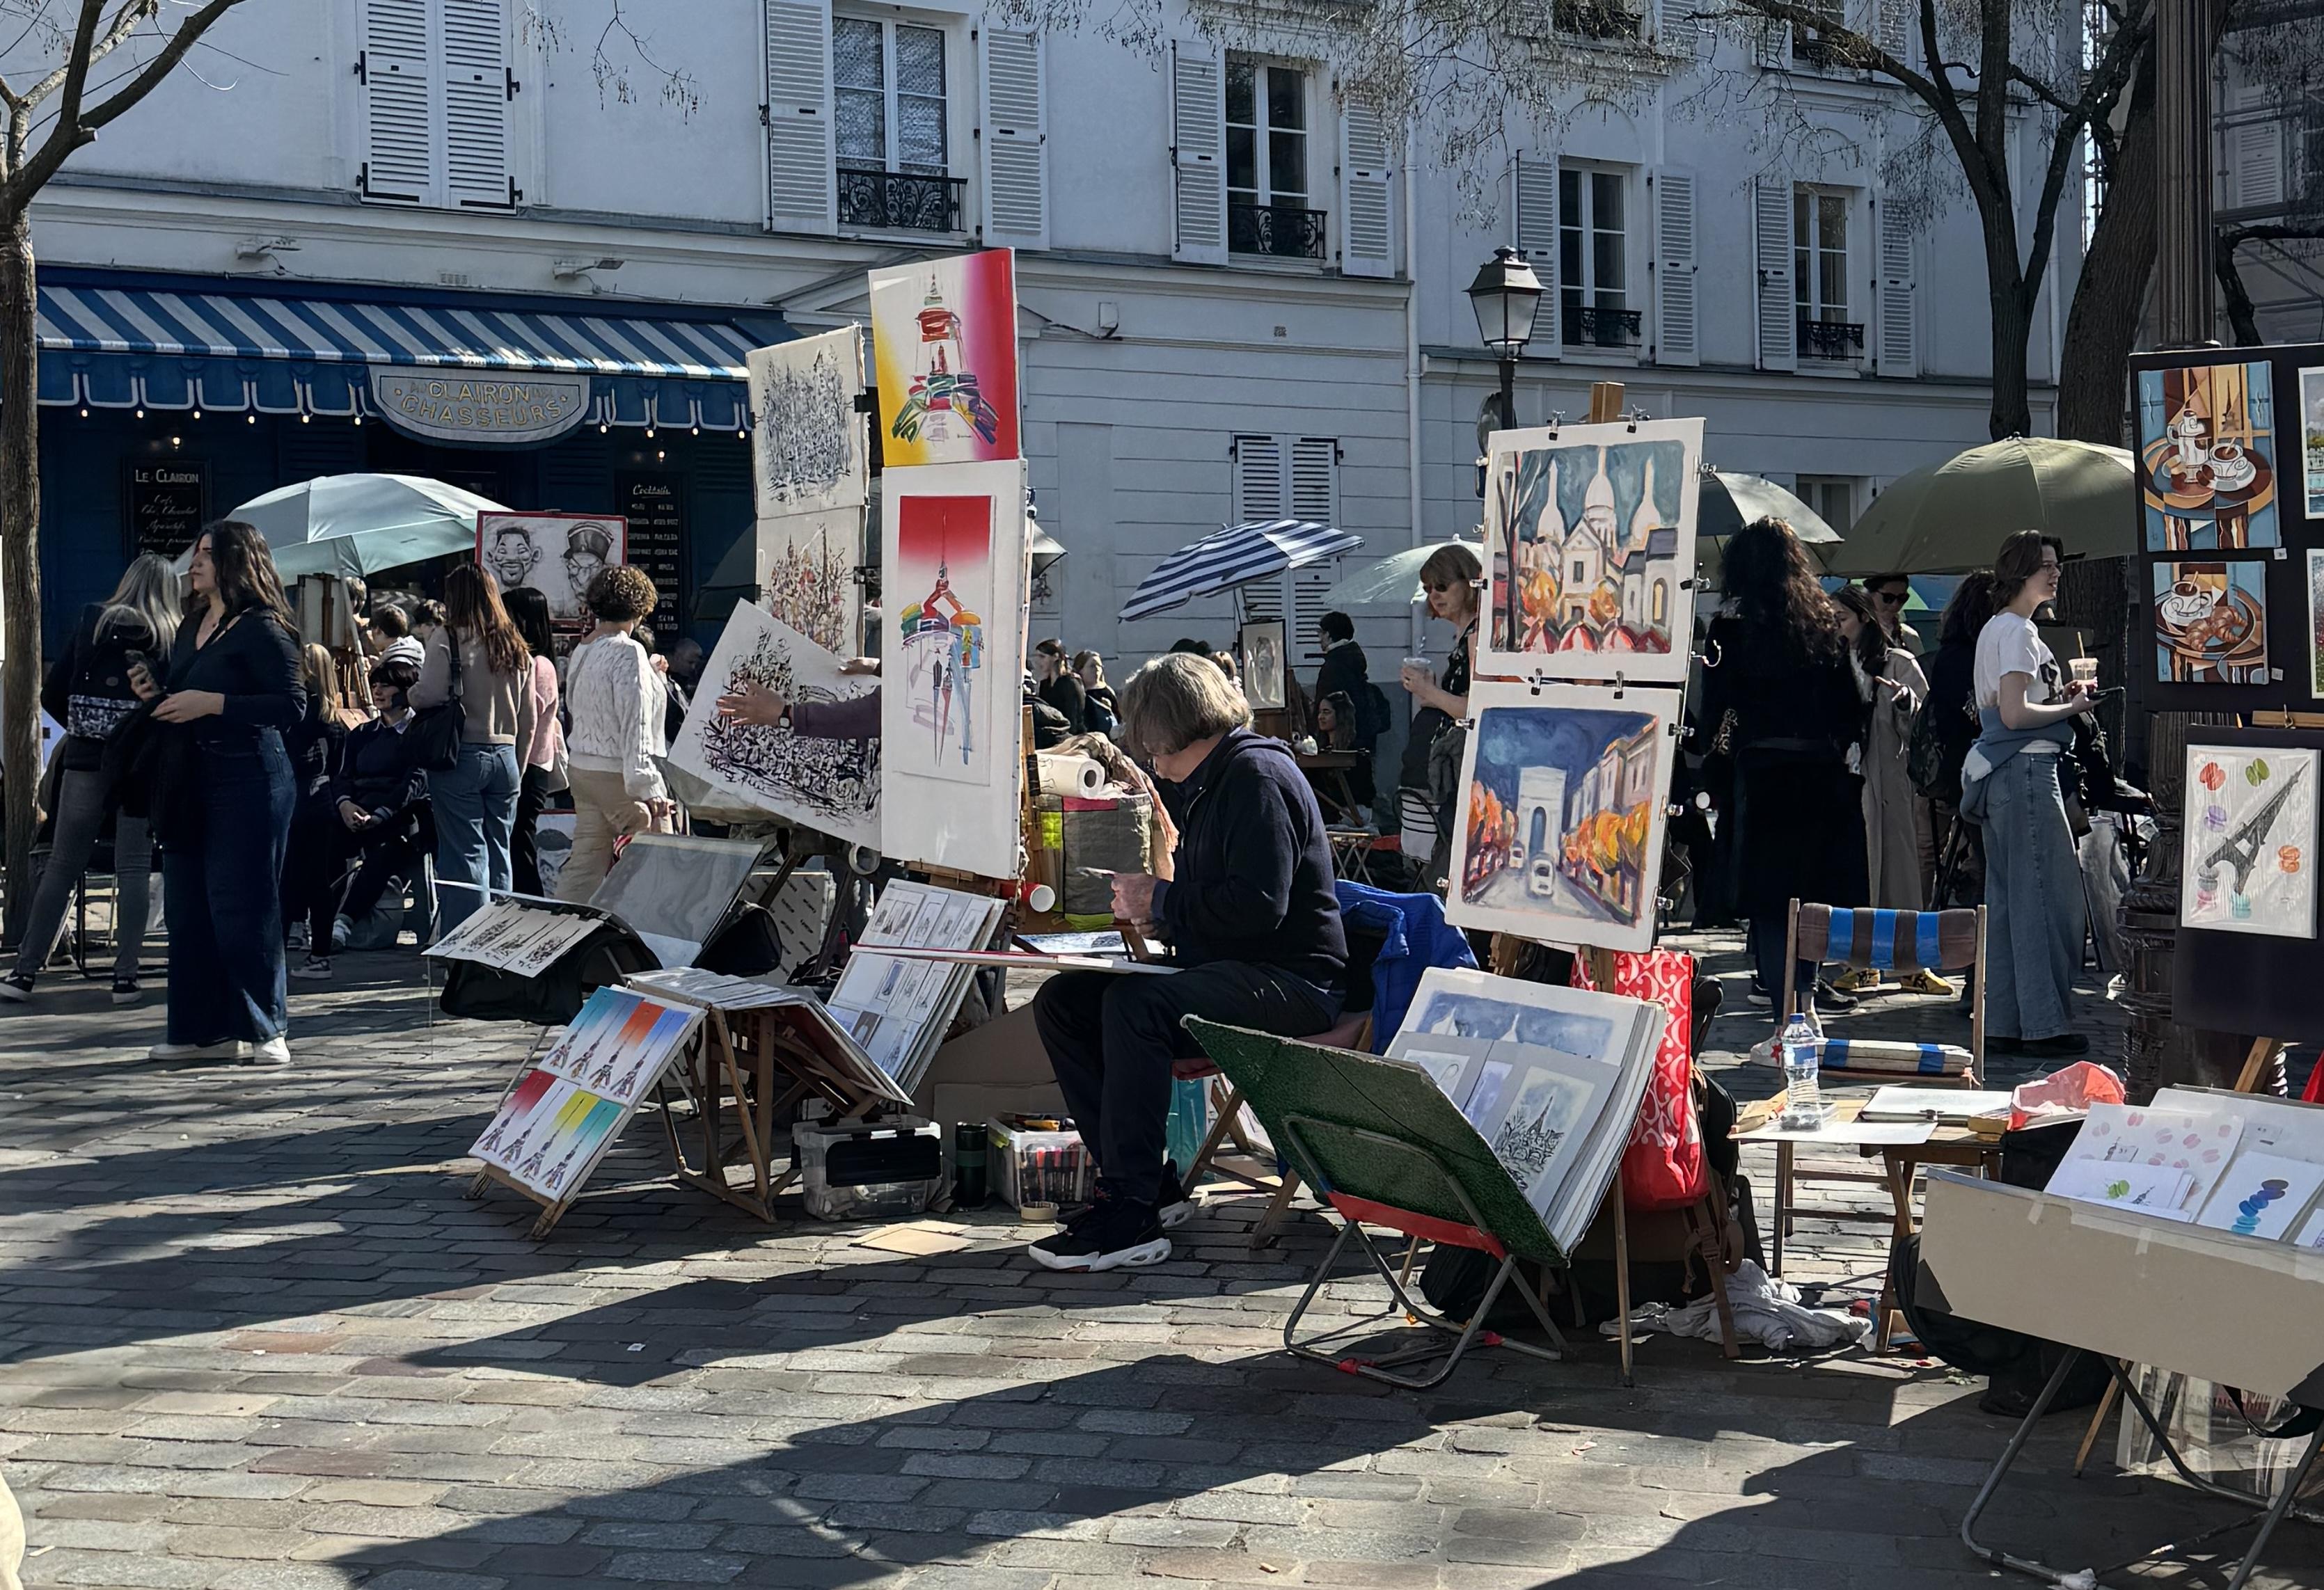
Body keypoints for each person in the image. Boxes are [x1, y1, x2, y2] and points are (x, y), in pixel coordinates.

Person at [1029, 653, 1346, 1273]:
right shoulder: (1214, 779)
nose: (1150, 760)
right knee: (1063, 1002)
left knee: (1135, 1005)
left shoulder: (1254, 778)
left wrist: (1163, 900)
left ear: (1173, 730)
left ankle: (1131, 1210)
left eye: (1151, 744)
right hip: (1238, 966)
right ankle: (1145, 1183)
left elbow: (1259, 907)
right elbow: (1222, 902)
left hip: (1291, 982)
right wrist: (1164, 916)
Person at [129, 521, 305, 1064]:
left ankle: (265, 1026)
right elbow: (186, 692)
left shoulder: (264, 628)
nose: (196, 562)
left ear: (235, 562)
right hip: (191, 778)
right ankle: (196, 1029)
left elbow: (292, 705)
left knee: (244, 905)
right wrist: (157, 692)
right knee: (187, 907)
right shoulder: (191, 623)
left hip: (249, 778)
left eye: (208, 554)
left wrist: (215, 704)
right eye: (197, 553)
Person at [1695, 517, 1868, 1014]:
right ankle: (1806, 1001)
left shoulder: (1728, 631)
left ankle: (1784, 1015)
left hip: (1761, 778)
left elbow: (1715, 710)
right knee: (1811, 901)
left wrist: (1713, 756)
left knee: (1770, 907)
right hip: (1818, 775)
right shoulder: (1823, 629)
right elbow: (1851, 708)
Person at [1, 555, 180, 1003]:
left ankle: (24, 972)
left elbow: (52, 692)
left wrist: (84, 731)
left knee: (63, 862)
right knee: (133, 867)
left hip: (86, 757)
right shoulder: (171, 634)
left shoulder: (93, 623)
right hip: (138, 763)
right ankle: (125, 977)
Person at [1962, 532, 2096, 1057]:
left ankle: (2003, 1020)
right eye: (2045, 565)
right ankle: (2043, 1023)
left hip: (2000, 773)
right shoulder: (2018, 631)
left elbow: (2008, 706)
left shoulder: (1997, 629)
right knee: (2047, 899)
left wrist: (2058, 697)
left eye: (2056, 564)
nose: (2055, 572)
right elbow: (2016, 714)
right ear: (2020, 571)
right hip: (2028, 771)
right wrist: (2072, 708)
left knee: (2007, 902)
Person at [1833, 585, 1948, 993]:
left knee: (1900, 874)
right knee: (1856, 874)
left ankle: (1911, 964)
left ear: (1864, 618)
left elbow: (1924, 727)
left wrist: (1904, 703)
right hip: (1846, 783)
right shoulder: (1829, 663)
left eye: (1841, 619)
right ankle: (1861, 962)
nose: (1836, 627)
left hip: (1890, 782)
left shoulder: (1899, 662)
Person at [410, 564, 536, 934]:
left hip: (461, 754)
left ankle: (468, 945)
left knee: (465, 854)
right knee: (499, 851)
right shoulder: (514, 643)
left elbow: (429, 694)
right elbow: (530, 716)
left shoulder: (448, 637)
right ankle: (499, 937)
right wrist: (519, 765)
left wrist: (411, 693)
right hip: (506, 755)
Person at [292, 658, 432, 978]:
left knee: (385, 851)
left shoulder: (418, 733)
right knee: (323, 846)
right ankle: (308, 924)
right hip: (356, 811)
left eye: (386, 685)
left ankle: (344, 923)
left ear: (406, 691)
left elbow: (415, 780)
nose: (378, 691)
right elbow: (343, 775)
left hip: (400, 817)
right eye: (375, 684)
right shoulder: (363, 733)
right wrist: (344, 805)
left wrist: (382, 814)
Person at [557, 566, 674, 903]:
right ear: (640, 608)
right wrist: (649, 786)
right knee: (660, 859)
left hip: (583, 768)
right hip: (618, 773)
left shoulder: (585, 650)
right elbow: (635, 721)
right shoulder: (630, 651)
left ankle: (563, 927)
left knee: (585, 863)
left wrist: (651, 676)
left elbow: (579, 705)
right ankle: (650, 929)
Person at [1397, 543, 1480, 875]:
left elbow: (1475, 709)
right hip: (1439, 772)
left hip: (1456, 774)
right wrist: (1431, 693)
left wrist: (1429, 691)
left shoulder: (1477, 636)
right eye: (1429, 588)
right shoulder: (1464, 635)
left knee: (1442, 864)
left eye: (1442, 586)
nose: (1434, 595)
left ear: (1468, 584)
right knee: (1430, 860)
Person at [280, 644, 363, 954]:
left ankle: (290, 935)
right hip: (325, 801)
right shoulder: (336, 721)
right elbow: (338, 767)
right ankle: (321, 952)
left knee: (289, 875)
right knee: (319, 878)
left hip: (297, 800)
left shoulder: (296, 715)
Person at [1924, 571, 1998, 907]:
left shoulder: (1949, 655)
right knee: (1990, 863)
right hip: (1976, 771)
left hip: (1964, 770)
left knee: (1986, 860)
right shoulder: (1965, 658)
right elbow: (1976, 715)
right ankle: (1981, 934)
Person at [501, 587, 567, 897]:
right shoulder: (529, 662)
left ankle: (532, 902)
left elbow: (529, 720)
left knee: (520, 842)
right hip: (525, 762)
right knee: (517, 841)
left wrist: (517, 770)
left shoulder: (538, 665)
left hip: (529, 765)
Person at [1033, 637, 1086, 733]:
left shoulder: (1070, 683)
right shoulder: (1045, 684)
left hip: (1071, 736)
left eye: (1042, 657)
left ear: (1055, 657)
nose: (1038, 661)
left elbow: (1073, 718)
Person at [1860, 573, 1921, 652]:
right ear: (1869, 595)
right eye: (1888, 598)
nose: (1895, 604)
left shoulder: (1909, 636)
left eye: (1902, 598)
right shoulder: (1856, 633)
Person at [1074, 651, 1118, 737]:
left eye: (1099, 666)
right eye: (1092, 666)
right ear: (1081, 670)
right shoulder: (1076, 692)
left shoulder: (1107, 691)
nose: (1097, 669)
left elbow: (1118, 716)